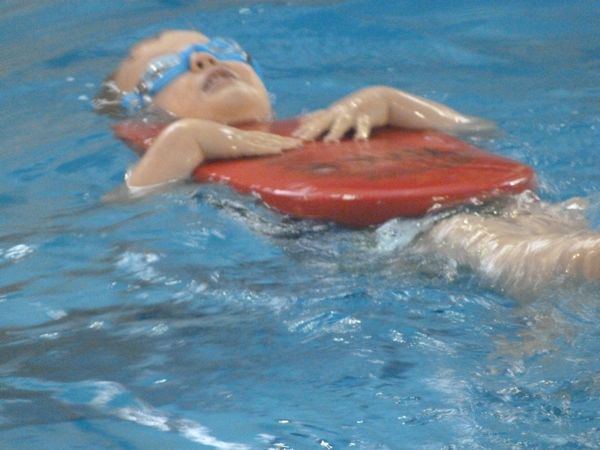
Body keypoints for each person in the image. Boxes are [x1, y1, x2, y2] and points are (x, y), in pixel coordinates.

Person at [100, 29, 600, 296]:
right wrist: (183, 140)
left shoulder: (329, 124)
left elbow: (480, 133)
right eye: (164, 70)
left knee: (542, 234)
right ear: (143, 117)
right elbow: (125, 207)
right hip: (390, 235)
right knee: (509, 249)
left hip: (495, 201)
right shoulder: (182, 156)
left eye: (217, 48)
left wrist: (386, 100)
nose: (203, 60)